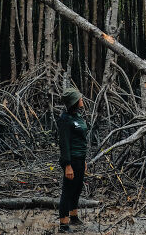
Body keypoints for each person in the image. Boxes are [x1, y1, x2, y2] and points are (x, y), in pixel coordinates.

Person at [57, 87, 88, 233]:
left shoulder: (78, 117)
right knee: (67, 191)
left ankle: (74, 216)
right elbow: (64, 144)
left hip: (80, 159)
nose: (82, 99)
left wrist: (84, 160)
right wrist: (67, 165)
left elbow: (81, 140)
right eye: (79, 98)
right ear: (74, 101)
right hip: (71, 160)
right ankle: (63, 224)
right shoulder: (65, 119)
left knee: (77, 188)